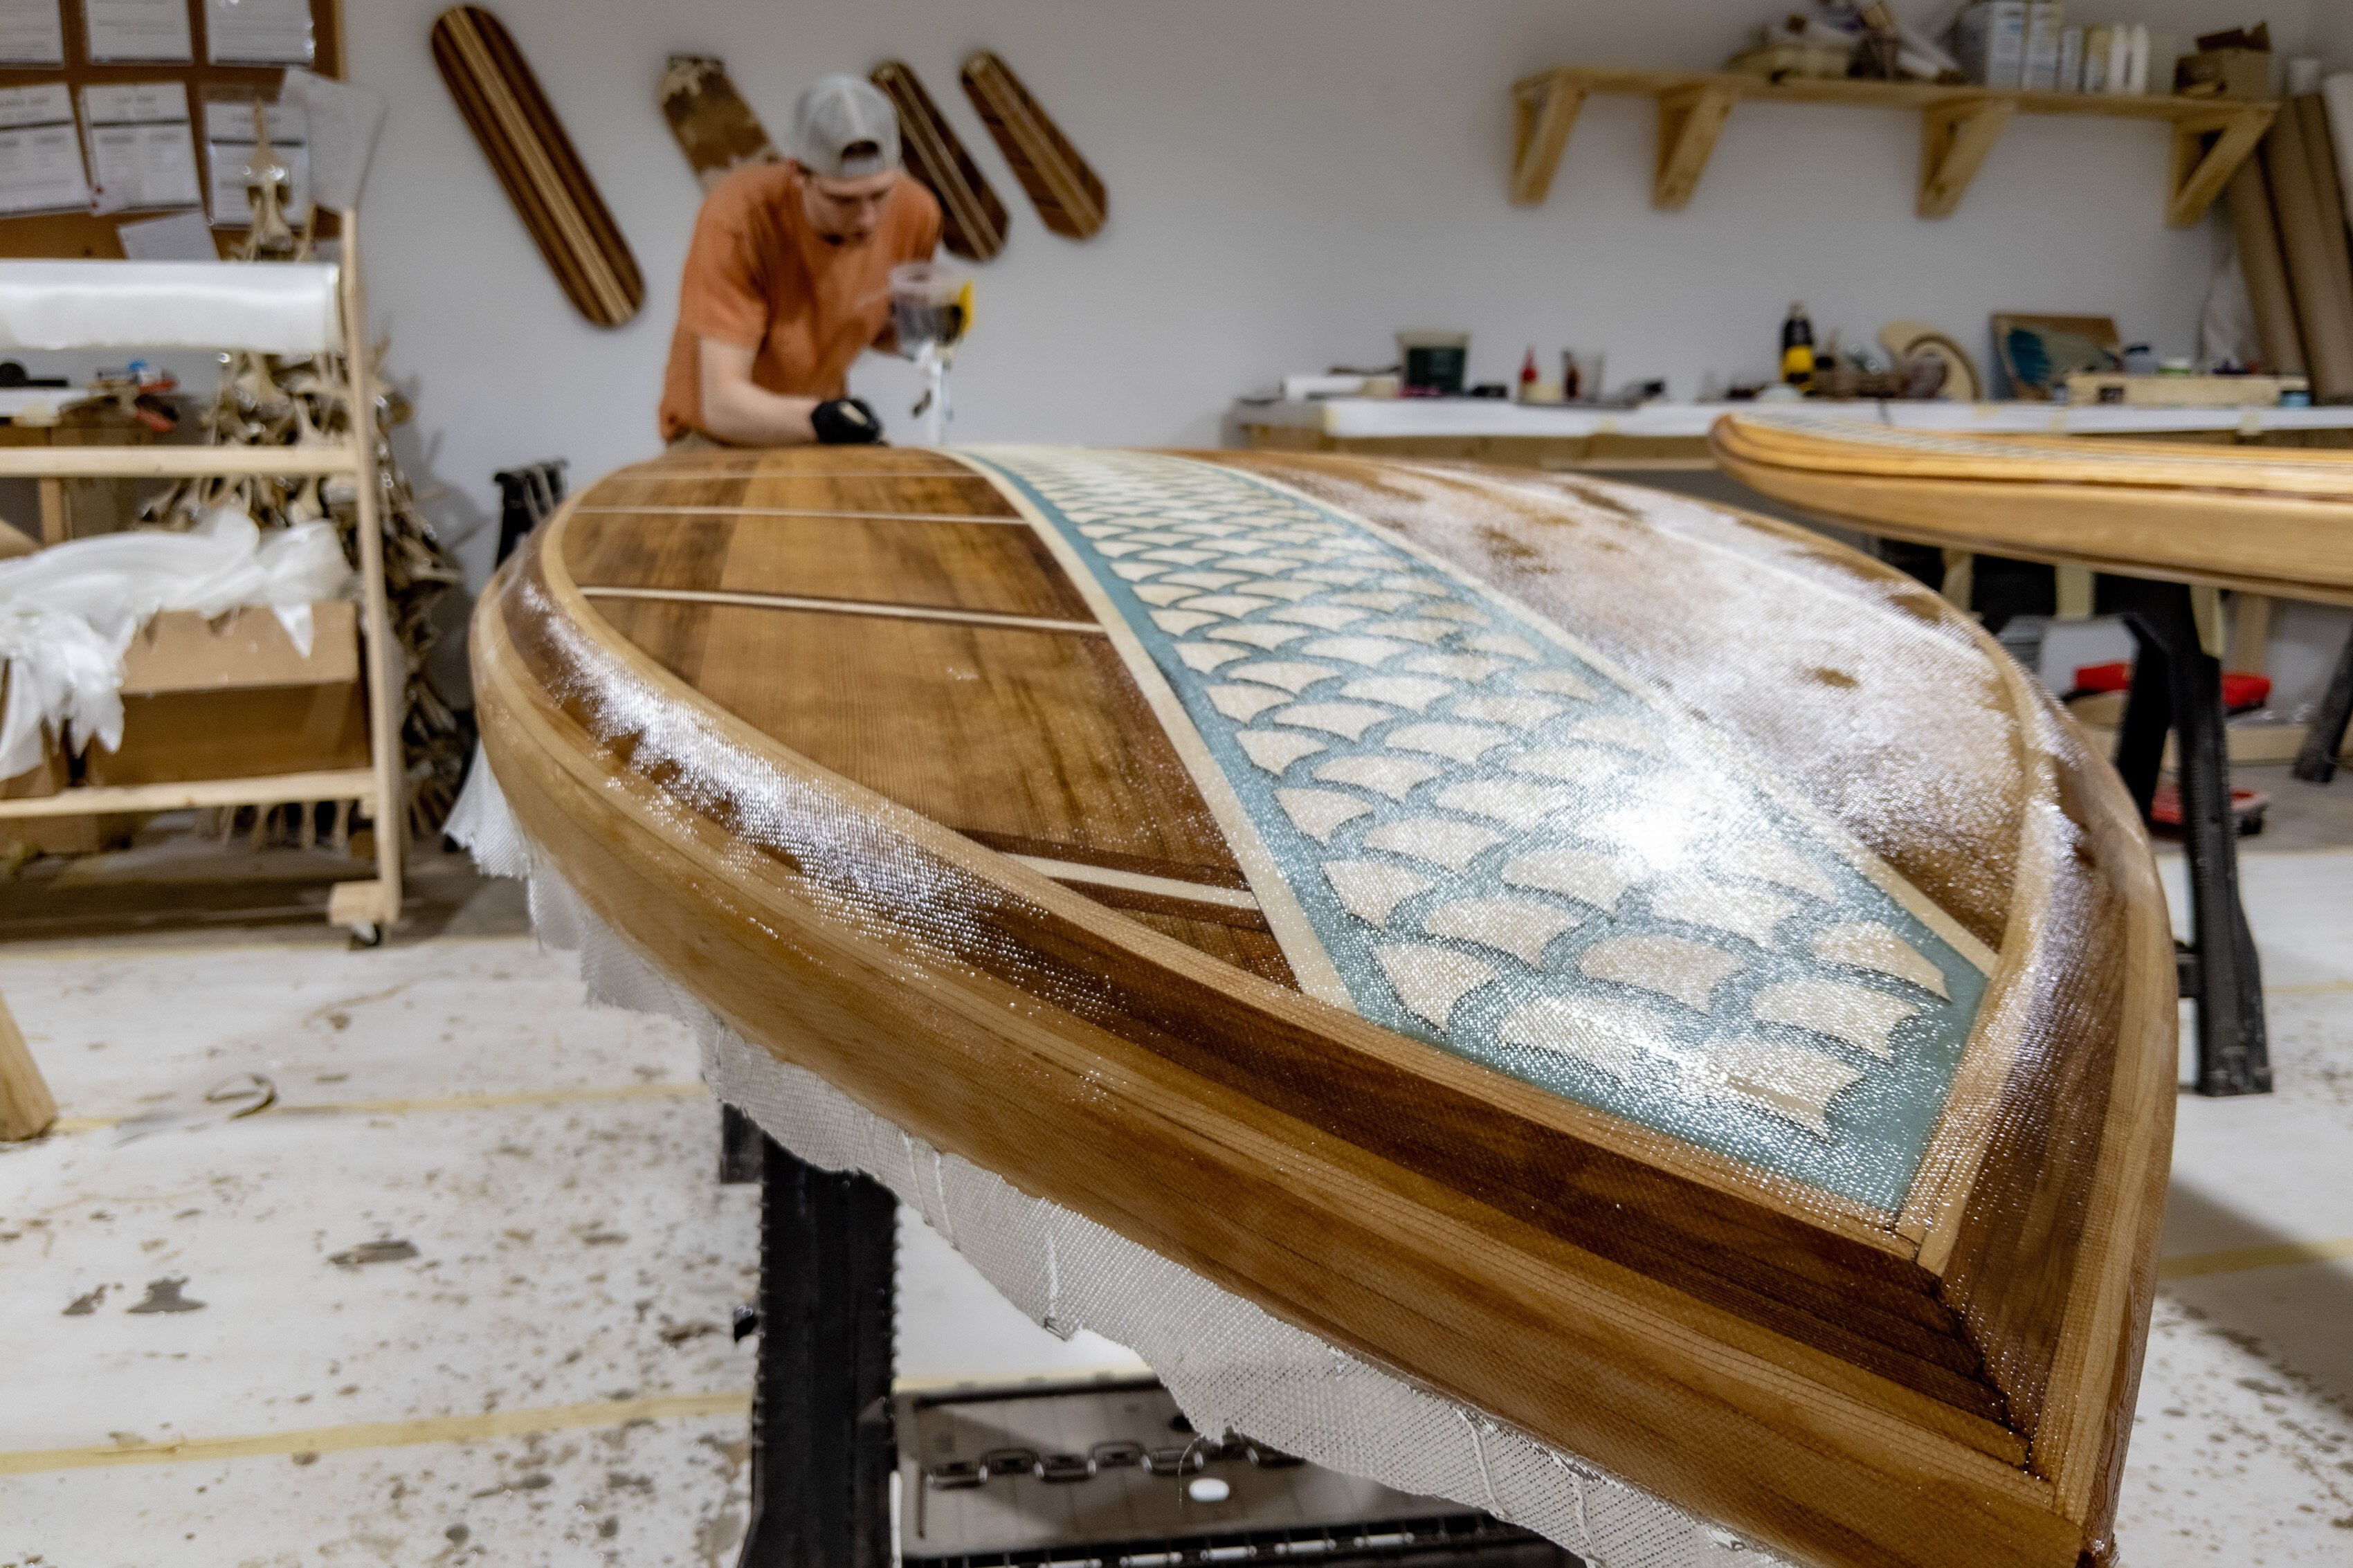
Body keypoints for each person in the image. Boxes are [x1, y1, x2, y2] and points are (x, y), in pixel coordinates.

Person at [657, 75, 941, 449]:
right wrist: (821, 419)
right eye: (843, 200)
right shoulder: (738, 221)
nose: (867, 219)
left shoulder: (917, 212)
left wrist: (928, 331)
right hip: (720, 436)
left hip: (815, 425)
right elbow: (722, 405)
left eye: (880, 194)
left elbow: (879, 332)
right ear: (797, 173)